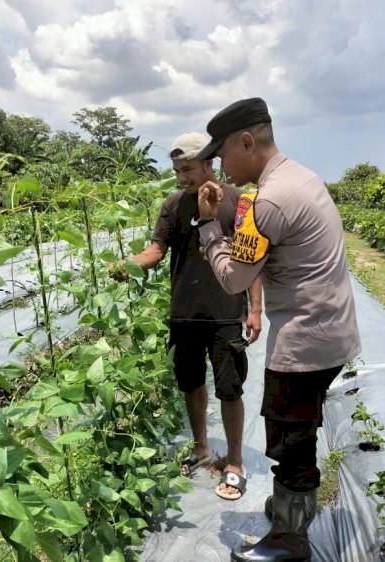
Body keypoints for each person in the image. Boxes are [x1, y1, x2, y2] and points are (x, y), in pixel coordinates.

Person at [194, 98, 361, 562]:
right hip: (332, 331)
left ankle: (290, 539)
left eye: (222, 153)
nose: (220, 165)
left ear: (247, 141)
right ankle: (292, 509)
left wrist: (210, 226)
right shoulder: (299, 178)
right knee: (300, 428)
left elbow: (234, 280)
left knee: (292, 437)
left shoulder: (268, 201)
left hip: (304, 342)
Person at [112, 131, 263, 501]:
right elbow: (156, 250)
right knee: (191, 384)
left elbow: (251, 260)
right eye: (178, 170)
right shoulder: (173, 203)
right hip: (185, 314)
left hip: (227, 313)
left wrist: (255, 309)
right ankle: (200, 448)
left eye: (188, 169)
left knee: (230, 389)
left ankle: (236, 461)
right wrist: (130, 264)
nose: (182, 177)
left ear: (209, 162)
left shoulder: (239, 202)